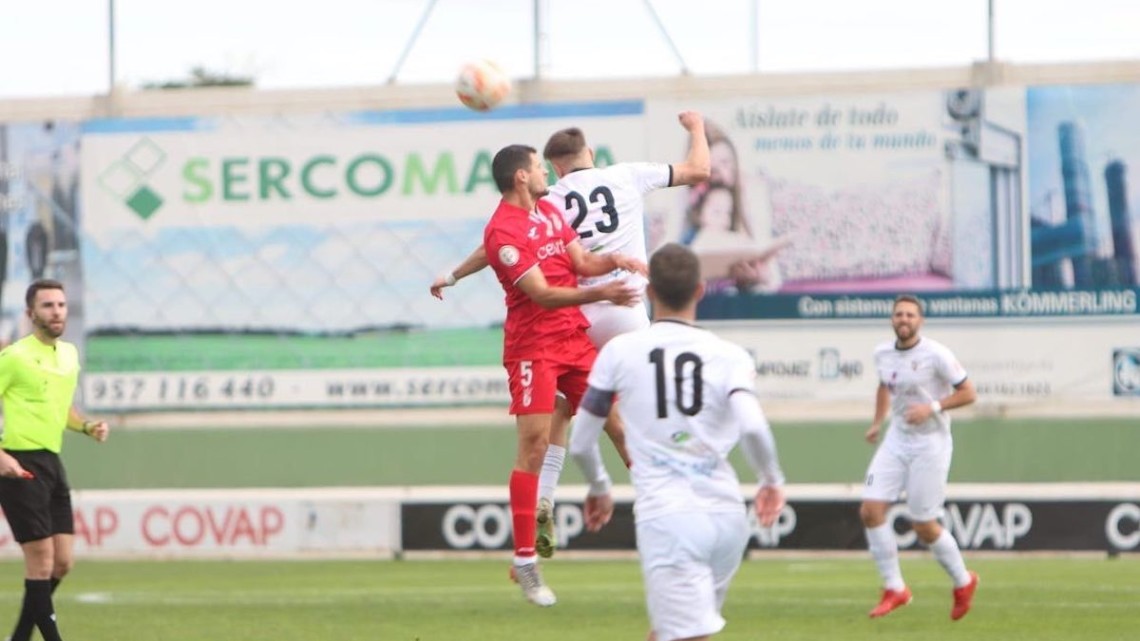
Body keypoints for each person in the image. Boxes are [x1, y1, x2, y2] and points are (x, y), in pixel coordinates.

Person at [431, 111, 711, 558]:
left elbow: (496, 245)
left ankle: (547, 495)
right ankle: (672, 509)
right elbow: (700, 170)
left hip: (577, 316)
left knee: (561, 406)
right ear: (591, 156)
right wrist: (697, 128)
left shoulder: (550, 198)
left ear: (555, 166)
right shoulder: (627, 176)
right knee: (627, 422)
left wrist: (454, 273)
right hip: (623, 309)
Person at [569, 243, 786, 641]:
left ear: (649, 292)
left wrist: (599, 486)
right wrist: (771, 480)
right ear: (701, 290)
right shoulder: (729, 355)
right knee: (674, 631)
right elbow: (753, 426)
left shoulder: (620, 351)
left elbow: (581, 442)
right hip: (726, 518)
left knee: (684, 634)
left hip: (670, 518)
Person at [480, 143, 645, 607]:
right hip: (533, 348)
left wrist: (616, 262)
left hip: (574, 339)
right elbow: (543, 295)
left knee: (616, 423)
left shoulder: (550, 209)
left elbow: (582, 263)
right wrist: (607, 295)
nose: (542, 172)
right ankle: (526, 561)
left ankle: (667, 511)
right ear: (519, 178)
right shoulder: (502, 233)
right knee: (533, 445)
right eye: (536, 166)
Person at [0, 279, 110, 641]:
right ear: (32, 314)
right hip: (19, 464)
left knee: (62, 562)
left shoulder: (68, 355)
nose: (57, 311)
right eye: (47, 305)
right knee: (41, 559)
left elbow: (61, 409)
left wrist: (87, 425)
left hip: (52, 462)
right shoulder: (14, 357)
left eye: (61, 305)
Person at [861, 294, 979, 620]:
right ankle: (895, 587)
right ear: (892, 319)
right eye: (899, 314)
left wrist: (933, 407)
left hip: (931, 443)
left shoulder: (936, 354)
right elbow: (885, 386)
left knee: (924, 525)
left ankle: (963, 581)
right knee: (870, 510)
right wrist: (877, 422)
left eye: (910, 315)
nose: (904, 319)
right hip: (897, 439)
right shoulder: (882, 353)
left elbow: (969, 392)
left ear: (920, 321)